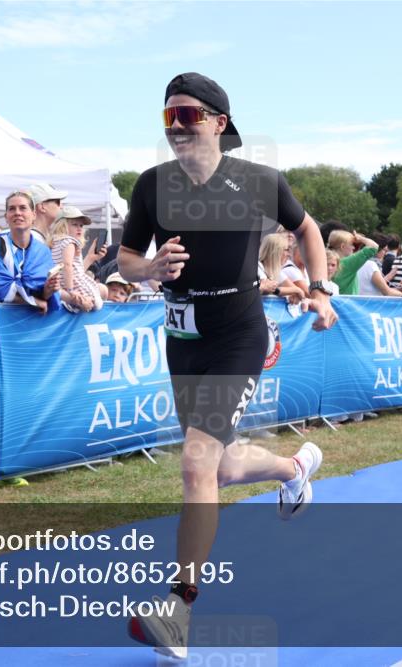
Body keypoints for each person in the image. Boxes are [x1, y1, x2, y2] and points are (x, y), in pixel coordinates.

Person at [118, 72, 337, 660]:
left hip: (238, 334)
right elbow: (126, 258)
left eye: (187, 115)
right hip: (182, 336)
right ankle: (292, 467)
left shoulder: (258, 180)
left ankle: (178, 610)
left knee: (194, 462)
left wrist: (320, 289)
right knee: (215, 469)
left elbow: (307, 229)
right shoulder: (151, 187)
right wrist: (151, 268)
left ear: (219, 122)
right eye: (167, 117)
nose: (176, 127)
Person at [0, 189, 60, 312]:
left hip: (33, 323)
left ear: (33, 214)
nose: (17, 213)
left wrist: (47, 290)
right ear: (6, 217)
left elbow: (43, 295)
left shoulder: (43, 251)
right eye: (12, 209)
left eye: (23, 208)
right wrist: (33, 302)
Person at [50, 205, 103, 312]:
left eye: (81, 225)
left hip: (62, 283)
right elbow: (67, 265)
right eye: (74, 224)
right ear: (62, 226)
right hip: (72, 284)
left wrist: (90, 257)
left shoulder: (55, 242)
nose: (79, 228)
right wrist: (71, 290)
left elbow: (73, 267)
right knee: (97, 303)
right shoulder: (69, 242)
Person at [356, 233, 402, 301]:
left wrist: (397, 289)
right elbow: (386, 292)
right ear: (376, 249)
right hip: (370, 305)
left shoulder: (357, 262)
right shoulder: (371, 265)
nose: (385, 253)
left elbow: (377, 289)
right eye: (384, 250)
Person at [257, 232, 306, 303]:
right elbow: (269, 289)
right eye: (286, 250)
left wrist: (294, 292)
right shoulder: (258, 267)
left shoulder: (275, 270)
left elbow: (292, 288)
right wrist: (296, 290)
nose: (289, 254)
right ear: (276, 251)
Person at [329, 230, 378, 296]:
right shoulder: (347, 262)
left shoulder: (326, 259)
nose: (354, 247)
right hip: (348, 302)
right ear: (342, 246)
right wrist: (360, 238)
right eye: (352, 244)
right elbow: (373, 247)